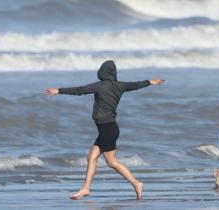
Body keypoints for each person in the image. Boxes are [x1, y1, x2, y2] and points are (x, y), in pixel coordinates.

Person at [45, 60, 164, 200]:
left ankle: (137, 183)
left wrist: (58, 90)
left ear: (102, 72)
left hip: (107, 129)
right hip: (109, 129)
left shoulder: (99, 86)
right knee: (91, 157)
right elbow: (136, 85)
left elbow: (79, 90)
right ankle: (85, 188)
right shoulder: (120, 86)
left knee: (112, 162)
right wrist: (150, 81)